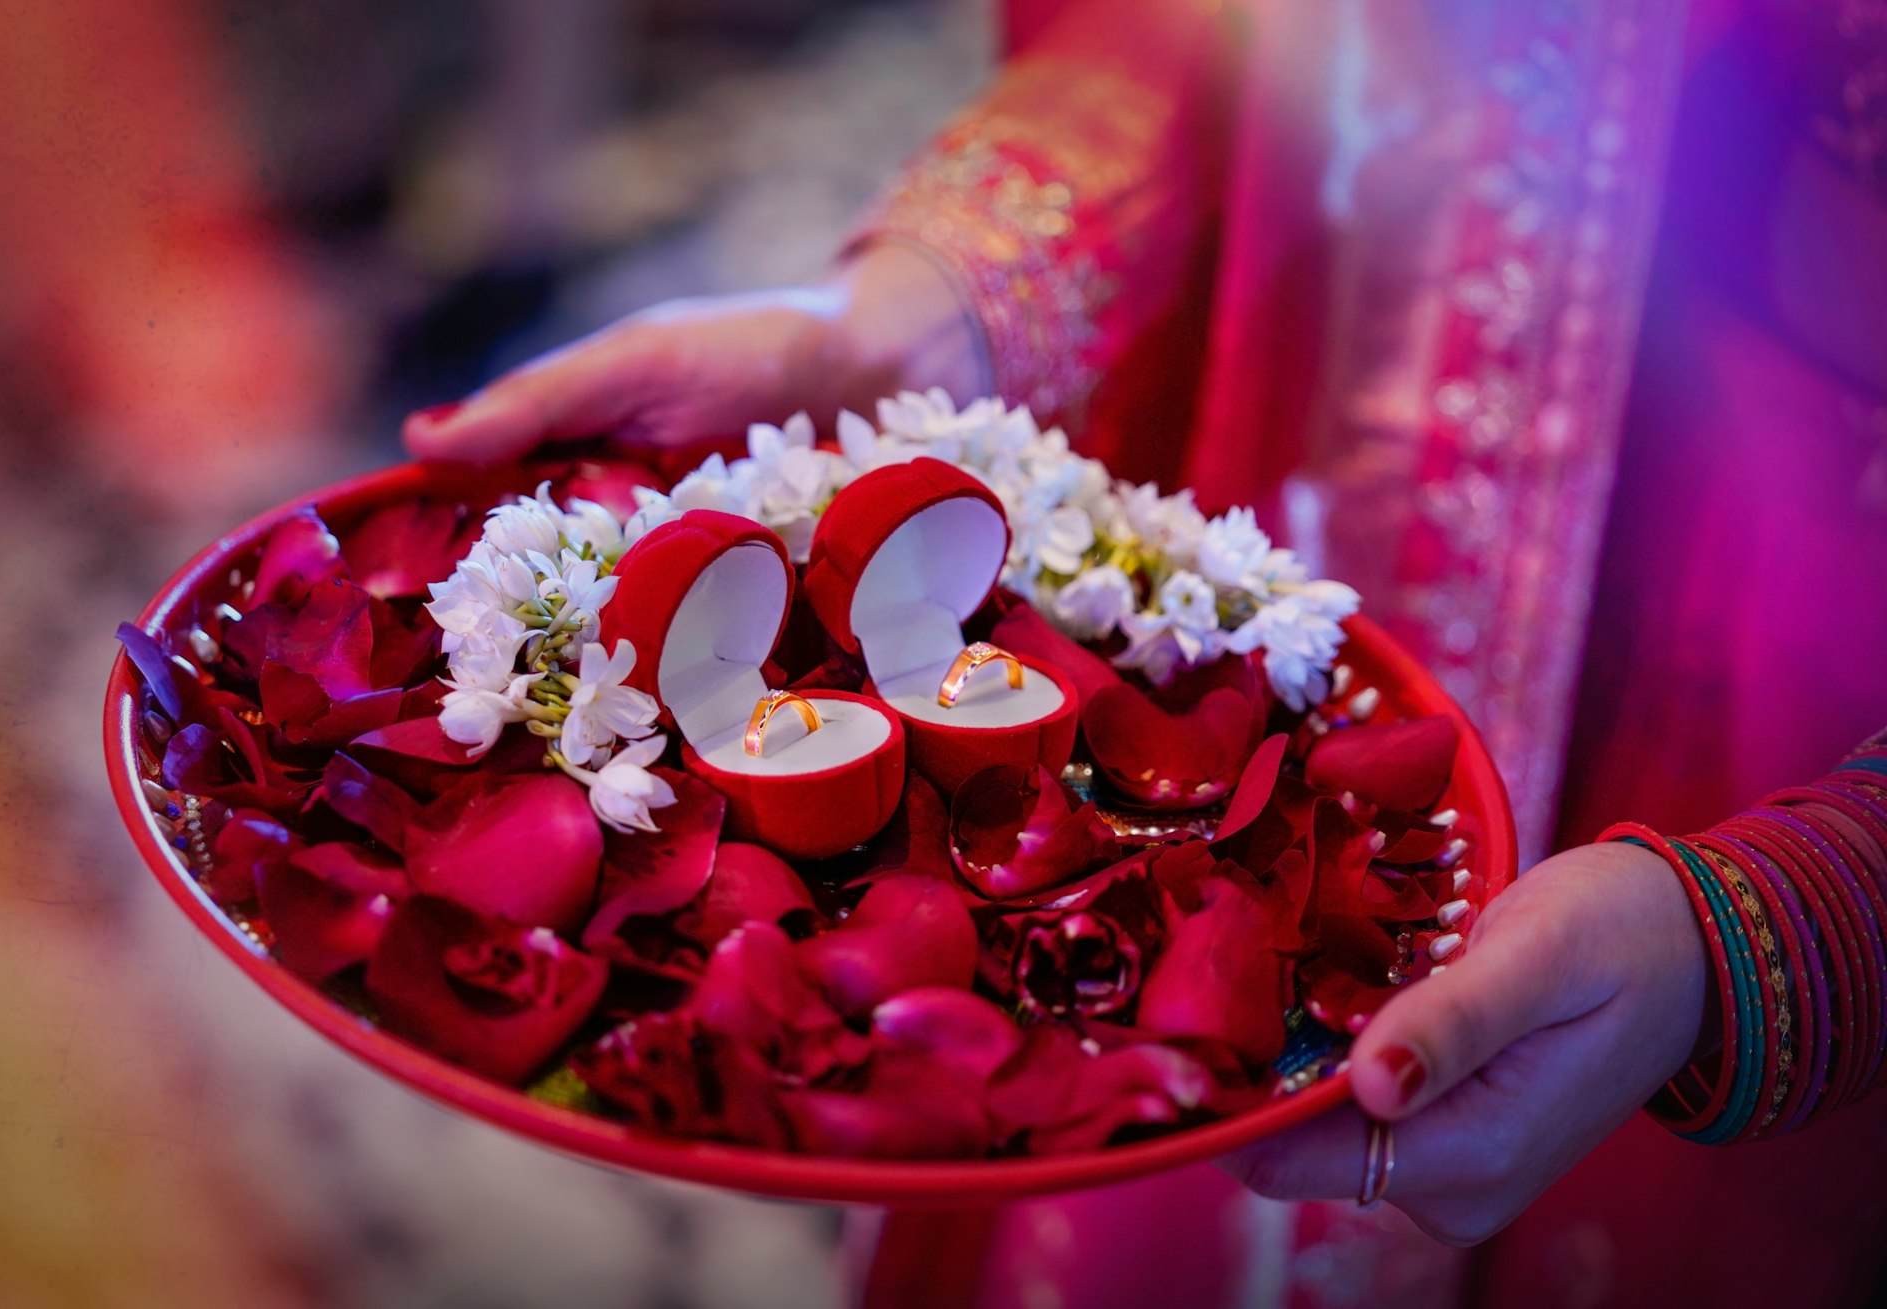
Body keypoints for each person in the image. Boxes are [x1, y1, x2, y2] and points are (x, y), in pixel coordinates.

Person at [404, 0, 1887, 1304]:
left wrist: (1764, 929)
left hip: (1773, 672)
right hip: (1263, 522)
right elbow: (1236, 36)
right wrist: (904, 326)